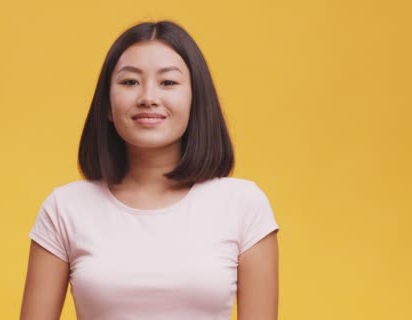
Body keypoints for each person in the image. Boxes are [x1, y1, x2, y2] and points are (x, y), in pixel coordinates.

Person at [20, 20, 280, 320]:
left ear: (196, 100)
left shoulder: (244, 206)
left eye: (168, 83)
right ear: (106, 104)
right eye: (130, 82)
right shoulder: (64, 208)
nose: (148, 97)